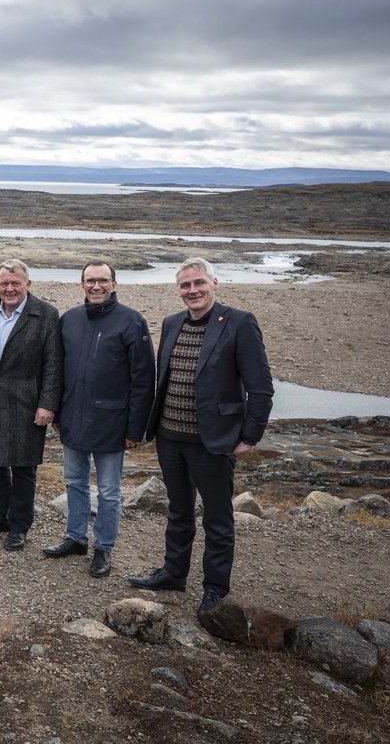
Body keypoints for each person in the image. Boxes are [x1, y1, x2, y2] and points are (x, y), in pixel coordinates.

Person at [128, 257, 274, 617]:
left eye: (198, 283)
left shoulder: (240, 323)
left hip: (214, 441)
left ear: (214, 284)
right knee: (178, 511)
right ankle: (174, 573)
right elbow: (164, 379)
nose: (192, 291)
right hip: (169, 436)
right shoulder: (172, 322)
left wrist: (250, 436)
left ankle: (214, 587)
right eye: (185, 285)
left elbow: (261, 388)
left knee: (218, 518)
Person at [45, 261, 155, 577]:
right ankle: (76, 537)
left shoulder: (132, 322)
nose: (96, 286)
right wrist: (56, 410)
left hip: (112, 423)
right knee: (74, 482)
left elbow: (143, 379)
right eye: (90, 280)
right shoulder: (70, 320)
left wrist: (136, 428)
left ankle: (104, 547)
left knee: (108, 491)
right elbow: (56, 370)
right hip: (72, 419)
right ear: (82, 284)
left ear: (114, 283)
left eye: (103, 280)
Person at [0, 259, 62, 551]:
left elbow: (53, 365)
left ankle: (19, 525)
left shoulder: (46, 314)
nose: (10, 289)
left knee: (23, 467)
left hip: (27, 402)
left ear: (28, 284)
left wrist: (48, 404)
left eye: (15, 283)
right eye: (4, 284)